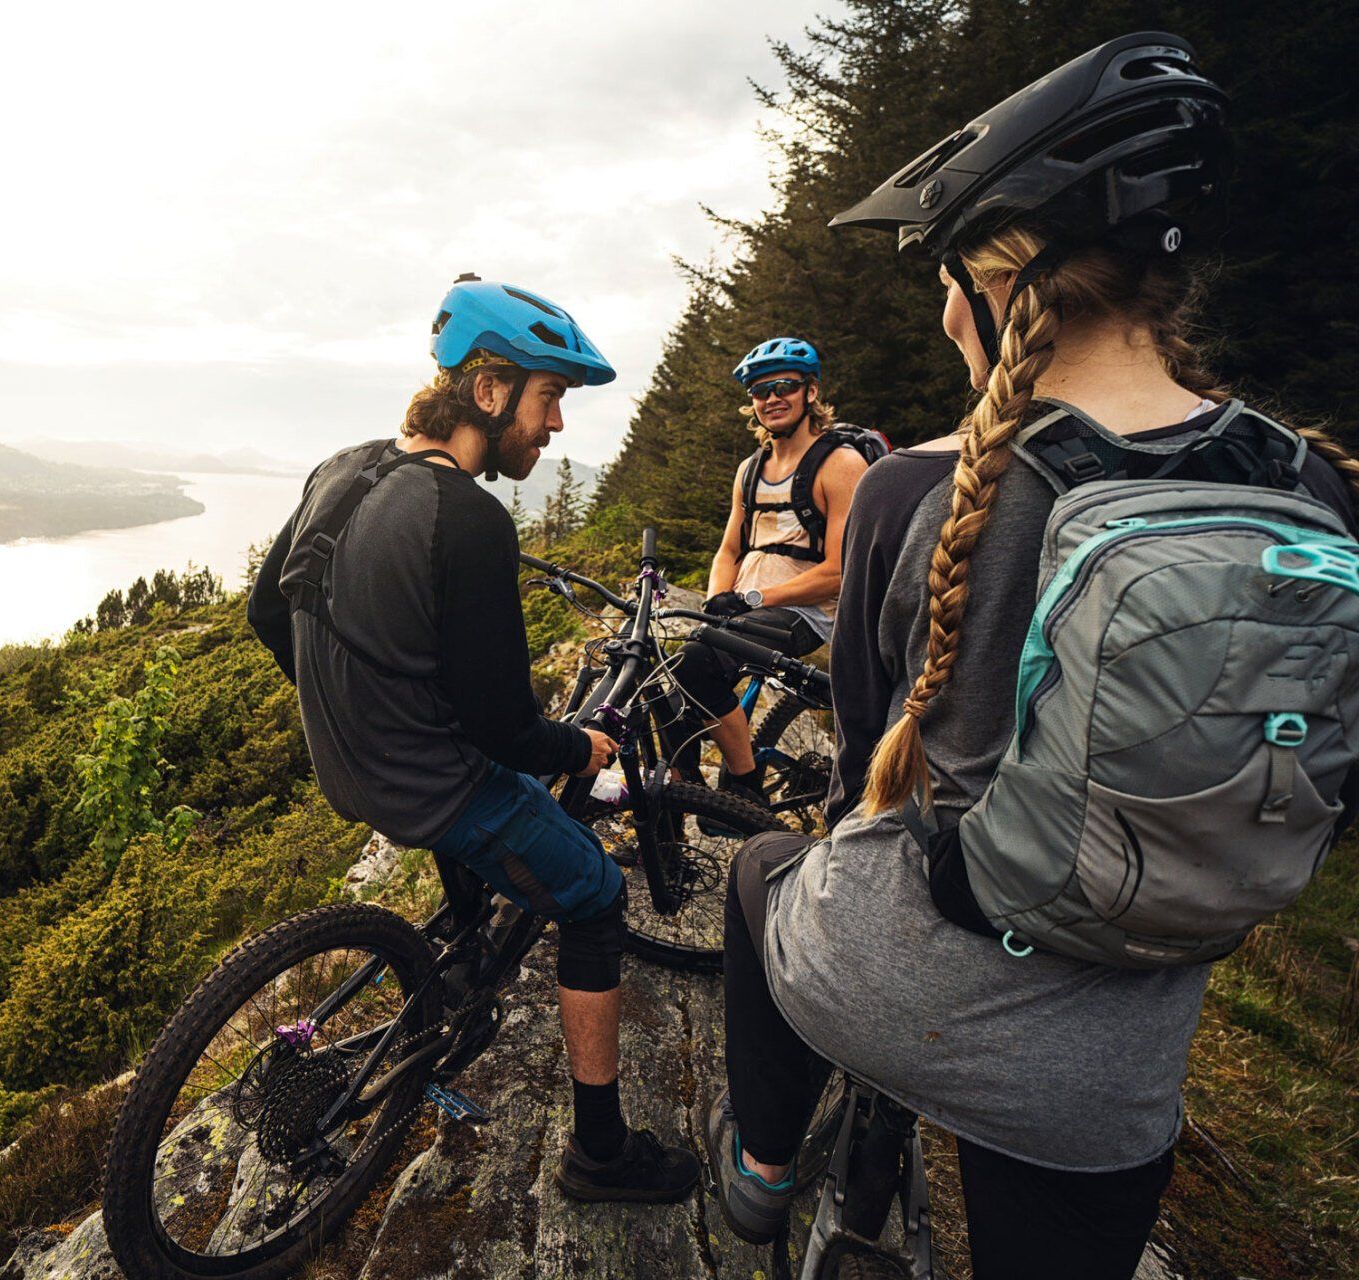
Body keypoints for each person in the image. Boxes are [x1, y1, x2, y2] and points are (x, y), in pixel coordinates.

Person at [700, 33, 1359, 1278]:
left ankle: (761, 1168)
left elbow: (865, 770)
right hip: (1115, 1079)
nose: (944, 307)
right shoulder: (1311, 484)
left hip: (903, 974)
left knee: (760, 871)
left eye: (951, 276)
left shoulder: (916, 490)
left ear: (1003, 281)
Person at [248, 275, 700, 1203]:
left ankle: (458, 948)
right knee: (596, 896)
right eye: (549, 397)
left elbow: (266, 612)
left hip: (348, 766)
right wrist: (578, 750)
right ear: (488, 391)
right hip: (428, 783)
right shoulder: (467, 518)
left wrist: (359, 706)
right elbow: (506, 728)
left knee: (495, 792)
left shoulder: (344, 466)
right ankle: (600, 1153)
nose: (555, 425)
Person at [662, 337, 873, 804]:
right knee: (665, 683)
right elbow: (727, 551)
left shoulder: (840, 464)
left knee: (696, 663)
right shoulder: (750, 469)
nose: (772, 398)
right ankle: (678, 799)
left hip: (806, 613)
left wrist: (753, 600)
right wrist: (718, 600)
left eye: (784, 387)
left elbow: (840, 571)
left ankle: (745, 784)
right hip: (748, 607)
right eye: (760, 391)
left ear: (810, 392)